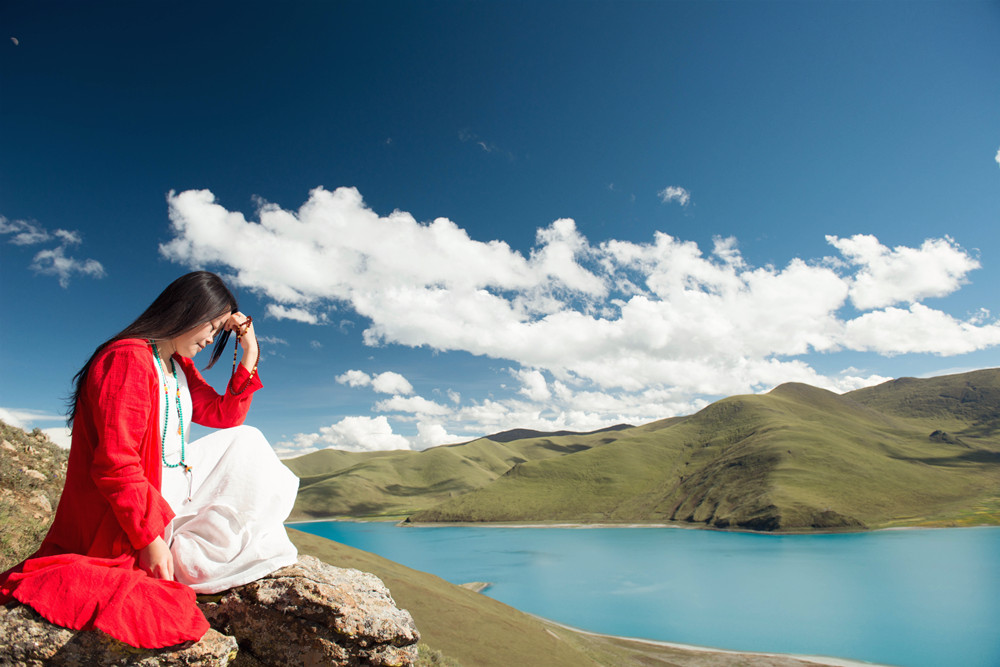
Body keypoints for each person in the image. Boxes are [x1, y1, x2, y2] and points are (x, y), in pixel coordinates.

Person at [0, 271, 299, 648]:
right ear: (189, 310)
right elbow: (115, 463)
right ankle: (181, 547)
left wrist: (250, 349)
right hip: (132, 504)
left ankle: (190, 543)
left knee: (247, 441)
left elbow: (225, 416)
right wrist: (148, 540)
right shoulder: (128, 358)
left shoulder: (176, 364)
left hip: (169, 480)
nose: (211, 339)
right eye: (212, 326)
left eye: (221, 331)